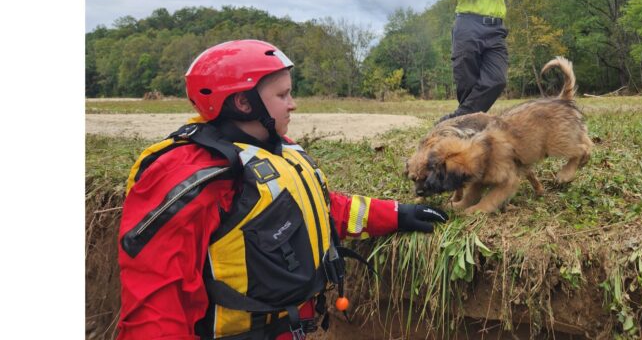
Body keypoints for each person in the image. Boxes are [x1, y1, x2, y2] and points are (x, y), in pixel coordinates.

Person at [117, 39, 447, 340]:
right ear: (244, 103)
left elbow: (319, 208)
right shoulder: (192, 176)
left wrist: (397, 214)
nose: (293, 105)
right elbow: (155, 306)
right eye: (282, 95)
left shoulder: (277, 149)